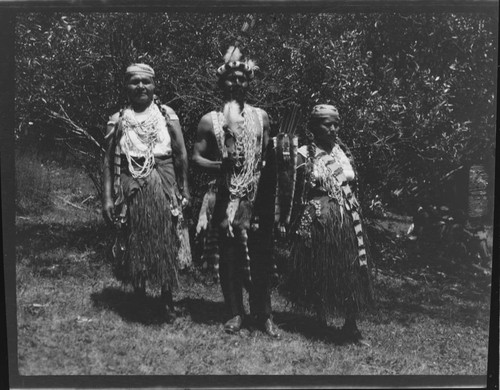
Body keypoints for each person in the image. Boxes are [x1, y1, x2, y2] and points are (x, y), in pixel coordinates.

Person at [192, 47, 280, 338]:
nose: (237, 83)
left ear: (248, 82)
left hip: (257, 198)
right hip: (226, 197)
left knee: (262, 256)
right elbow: (196, 158)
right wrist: (221, 164)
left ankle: (264, 314)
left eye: (242, 78)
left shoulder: (262, 118)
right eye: (231, 79)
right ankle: (234, 312)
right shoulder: (210, 121)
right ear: (222, 83)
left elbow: (268, 156)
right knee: (229, 256)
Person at [102, 63, 191, 319]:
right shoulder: (118, 120)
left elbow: (180, 154)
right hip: (132, 186)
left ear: (154, 86)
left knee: (166, 239)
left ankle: (166, 297)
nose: (141, 86)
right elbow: (108, 162)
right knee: (135, 239)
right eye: (134, 82)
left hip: (163, 184)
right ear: (126, 86)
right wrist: (108, 198)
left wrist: (185, 188)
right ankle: (139, 297)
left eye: (146, 82)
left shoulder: (166, 115)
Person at [283, 104, 373, 342]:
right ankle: (320, 318)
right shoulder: (303, 153)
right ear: (314, 126)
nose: (333, 129)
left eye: (336, 124)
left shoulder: (342, 152)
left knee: (352, 267)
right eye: (327, 124)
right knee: (322, 268)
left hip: (348, 218)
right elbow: (289, 184)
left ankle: (350, 323)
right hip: (321, 218)